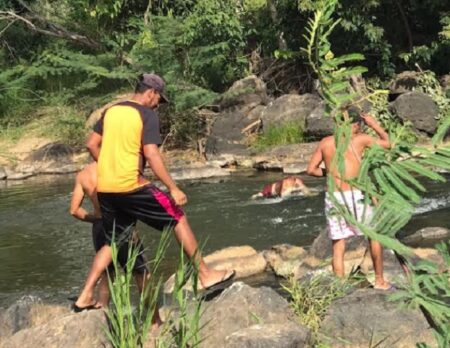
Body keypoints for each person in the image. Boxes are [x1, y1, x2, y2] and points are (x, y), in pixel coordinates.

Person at [73, 73, 235, 316]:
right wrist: (173, 187)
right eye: (159, 98)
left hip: (107, 191)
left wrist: (108, 166)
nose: (158, 104)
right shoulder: (146, 114)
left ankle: (85, 295)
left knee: (113, 243)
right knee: (177, 216)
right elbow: (151, 154)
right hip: (131, 185)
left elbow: (91, 144)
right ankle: (205, 273)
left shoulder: (111, 111)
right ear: (151, 92)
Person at [306, 106, 394, 290]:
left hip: (335, 196)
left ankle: (340, 287)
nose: (360, 128)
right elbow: (388, 143)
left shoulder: (326, 142)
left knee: (338, 245)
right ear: (354, 125)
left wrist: (330, 172)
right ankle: (379, 281)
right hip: (357, 194)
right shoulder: (360, 139)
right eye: (359, 125)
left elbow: (311, 170)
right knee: (373, 236)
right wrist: (374, 124)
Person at [70, 162, 149, 308]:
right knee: (140, 272)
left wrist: (95, 219)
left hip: (99, 226)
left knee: (107, 272)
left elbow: (74, 210)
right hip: (121, 225)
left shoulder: (83, 174)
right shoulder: (118, 167)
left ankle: (103, 311)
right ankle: (152, 318)